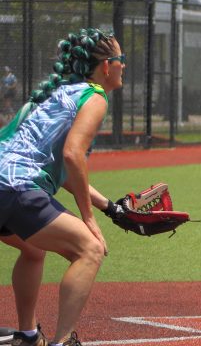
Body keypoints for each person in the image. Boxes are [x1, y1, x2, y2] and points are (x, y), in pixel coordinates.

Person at [0, 28, 127, 346]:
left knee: (32, 248)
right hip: (16, 188)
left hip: (5, 187)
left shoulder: (55, 94)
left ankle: (27, 336)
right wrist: (88, 218)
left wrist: (109, 207)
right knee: (90, 250)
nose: (124, 65)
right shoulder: (94, 96)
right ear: (106, 66)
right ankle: (63, 341)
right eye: (120, 59)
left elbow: (62, 169)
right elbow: (72, 155)